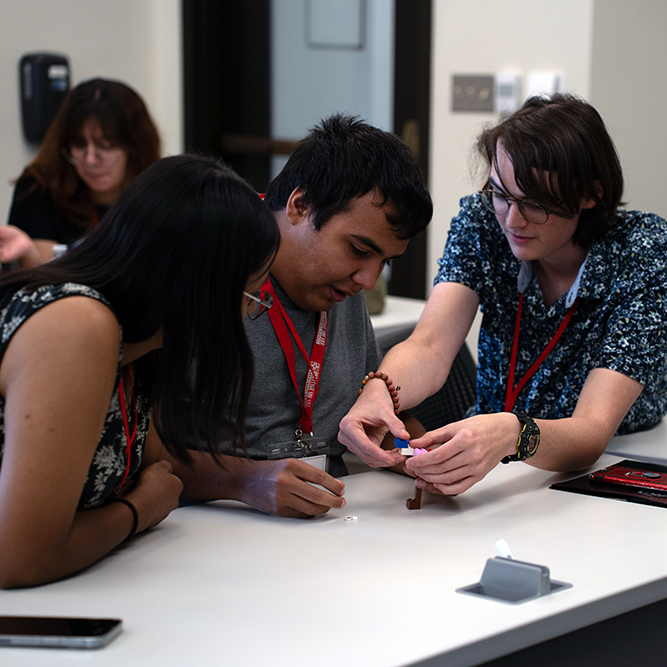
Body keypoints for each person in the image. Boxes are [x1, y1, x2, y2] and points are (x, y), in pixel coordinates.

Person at [339, 94, 667, 497]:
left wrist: (514, 432)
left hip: (611, 459)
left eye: (534, 203)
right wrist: (382, 391)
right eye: (500, 194)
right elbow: (429, 346)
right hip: (496, 454)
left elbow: (592, 431)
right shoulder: (482, 221)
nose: (512, 220)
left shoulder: (643, 251)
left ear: (589, 194)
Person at [0, 154, 280, 588]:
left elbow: (159, 466)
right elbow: (19, 559)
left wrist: (247, 479)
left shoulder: (141, 345)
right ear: (202, 286)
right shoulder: (78, 325)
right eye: (253, 295)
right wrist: (137, 512)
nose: (249, 315)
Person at [181, 114, 433, 517]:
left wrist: (420, 454)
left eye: (384, 262)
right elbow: (137, 452)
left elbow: (373, 424)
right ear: (299, 205)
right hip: (207, 530)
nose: (367, 279)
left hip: (328, 525)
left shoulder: (339, 283)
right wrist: (242, 479)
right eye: (358, 250)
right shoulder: (204, 275)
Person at [3, 77, 160, 267]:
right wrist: (29, 253)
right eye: (78, 144)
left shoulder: (161, 195)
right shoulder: (39, 187)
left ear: (137, 147)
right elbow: (42, 277)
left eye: (106, 146)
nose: (90, 160)